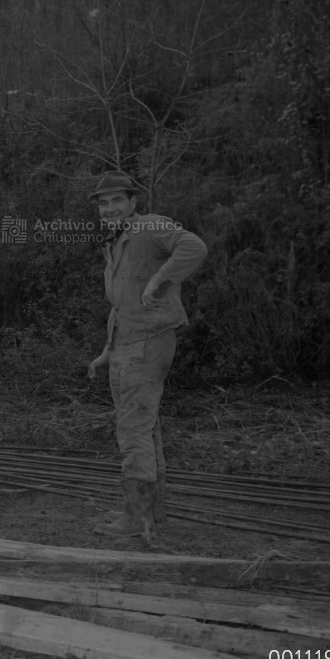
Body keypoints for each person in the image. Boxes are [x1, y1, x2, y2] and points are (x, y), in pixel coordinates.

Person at [87, 171, 207, 540]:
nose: (110, 209)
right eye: (104, 203)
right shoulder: (116, 241)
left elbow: (194, 247)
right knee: (146, 425)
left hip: (147, 343)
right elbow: (120, 305)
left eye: (117, 201)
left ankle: (135, 519)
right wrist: (107, 350)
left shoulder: (149, 227)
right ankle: (152, 510)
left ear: (133, 202)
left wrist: (161, 279)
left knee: (134, 428)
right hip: (127, 344)